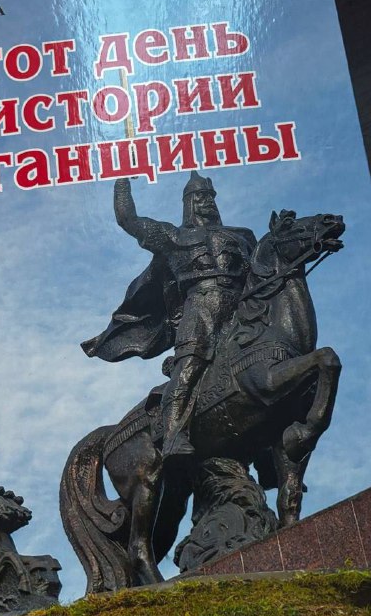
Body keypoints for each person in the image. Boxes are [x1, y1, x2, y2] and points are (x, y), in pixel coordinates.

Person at [82, 171, 256, 462]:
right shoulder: (173, 237)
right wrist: (122, 182)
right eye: (200, 197)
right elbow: (128, 220)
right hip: (199, 309)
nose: (207, 202)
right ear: (188, 202)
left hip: (240, 309)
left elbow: (261, 270)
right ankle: (174, 434)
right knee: (189, 365)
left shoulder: (242, 236)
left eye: (210, 197)